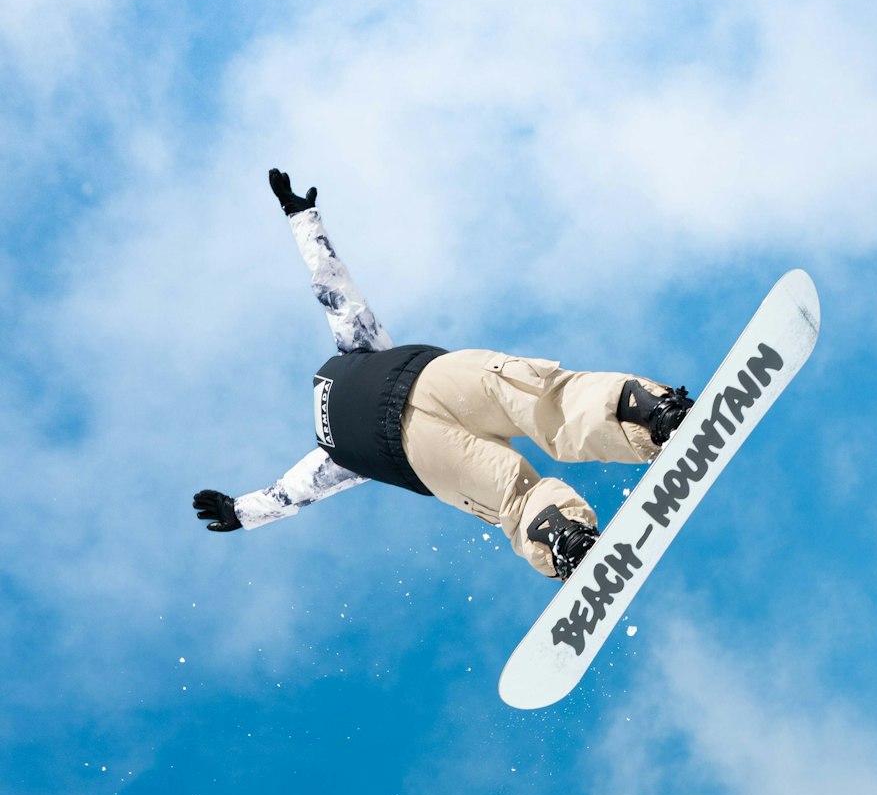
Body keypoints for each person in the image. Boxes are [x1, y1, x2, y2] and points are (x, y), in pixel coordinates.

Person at [193, 170, 692, 580]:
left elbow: (290, 493)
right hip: (435, 377)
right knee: (547, 401)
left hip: (417, 451)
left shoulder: (334, 458)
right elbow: (332, 284)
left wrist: (243, 512)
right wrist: (301, 216)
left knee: (511, 495)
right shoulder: (357, 350)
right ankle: (652, 415)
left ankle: (561, 537)